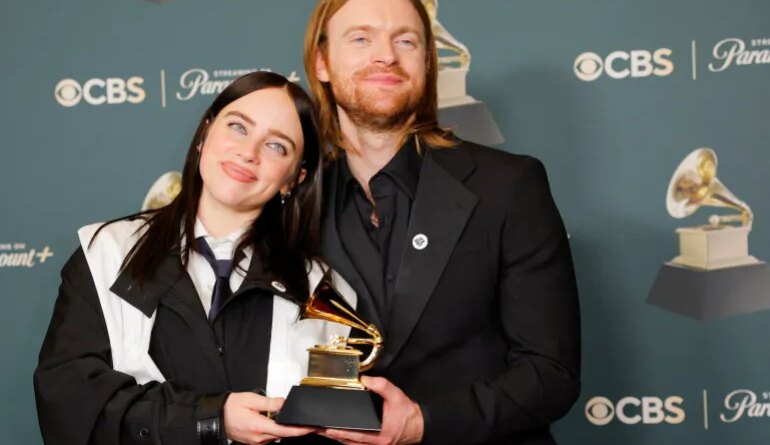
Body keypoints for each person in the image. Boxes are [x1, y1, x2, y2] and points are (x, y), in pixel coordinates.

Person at [303, 1, 581, 444]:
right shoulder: (291, 199)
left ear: (427, 62)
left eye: (406, 40)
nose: (386, 55)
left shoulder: (509, 186)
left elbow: (550, 373)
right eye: (361, 38)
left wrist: (423, 423)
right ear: (321, 61)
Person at [34, 71, 353, 445]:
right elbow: (68, 401)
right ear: (205, 133)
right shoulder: (106, 252)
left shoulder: (322, 290)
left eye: (277, 146)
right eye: (238, 127)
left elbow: (333, 428)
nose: (248, 153)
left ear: (293, 180)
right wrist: (211, 419)